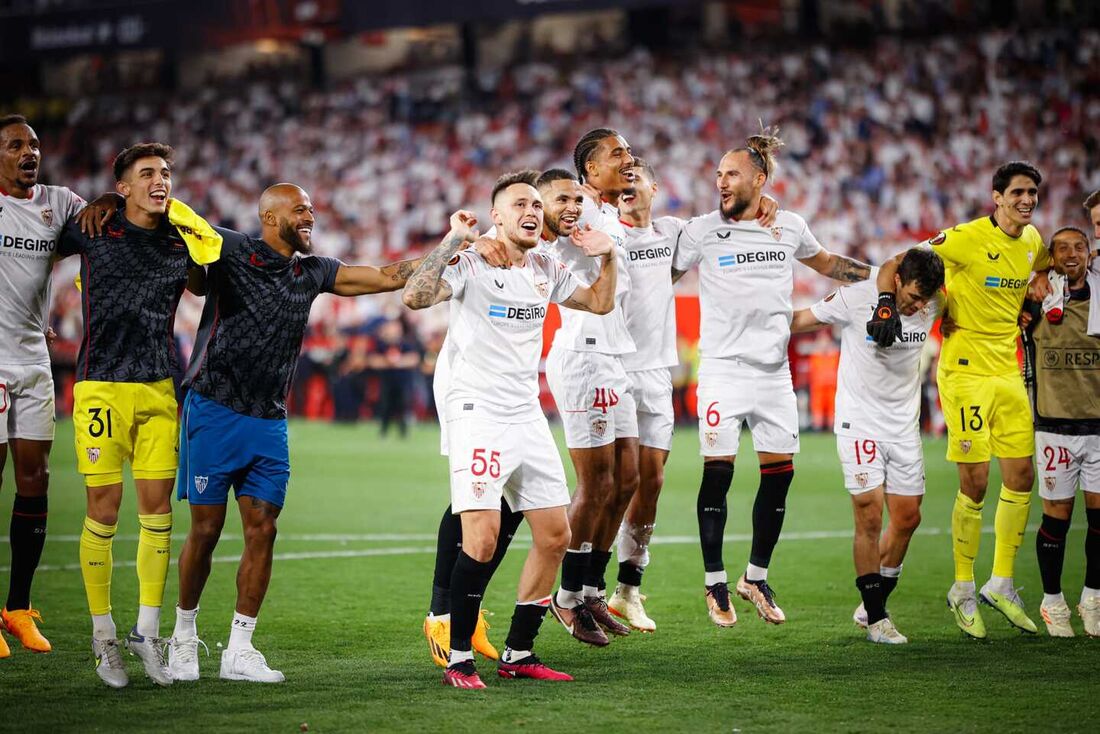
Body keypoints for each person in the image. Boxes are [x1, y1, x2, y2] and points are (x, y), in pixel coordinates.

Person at [169, 183, 422, 684]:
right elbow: (192, 275)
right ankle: (182, 635)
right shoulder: (231, 249)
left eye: (311, 208)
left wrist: (454, 246)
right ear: (269, 215)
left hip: (269, 418)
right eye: (300, 209)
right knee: (205, 530)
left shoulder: (313, 271)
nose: (310, 215)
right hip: (214, 408)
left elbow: (387, 277)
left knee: (264, 529)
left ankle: (239, 649)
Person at [403, 172, 617, 688]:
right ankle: (457, 656)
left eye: (533, 204)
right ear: (496, 216)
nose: (530, 210)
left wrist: (609, 256)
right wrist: (455, 239)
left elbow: (600, 303)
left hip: (525, 413)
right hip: (477, 409)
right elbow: (415, 295)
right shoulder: (473, 261)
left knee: (555, 533)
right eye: (517, 203)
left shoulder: (546, 264)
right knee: (481, 538)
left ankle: (519, 653)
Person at [672, 130, 871, 627]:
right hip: (721, 370)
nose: (721, 181)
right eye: (717, 174)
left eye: (731, 173)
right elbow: (661, 272)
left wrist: (887, 275)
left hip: (773, 373)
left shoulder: (789, 226)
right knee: (717, 473)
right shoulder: (701, 231)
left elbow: (828, 264)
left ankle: (755, 576)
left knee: (779, 478)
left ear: (759, 179)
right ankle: (714, 581)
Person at [57, 142, 222, 688]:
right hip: (101, 387)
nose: (161, 180)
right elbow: (30, 256)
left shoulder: (181, 240)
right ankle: (103, 635)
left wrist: (184, 218)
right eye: (147, 173)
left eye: (167, 173)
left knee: (158, 517)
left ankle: (145, 632)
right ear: (122, 186)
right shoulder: (92, 227)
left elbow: (210, 272)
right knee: (103, 512)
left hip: (158, 389)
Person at [869, 161, 1051, 638]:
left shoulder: (1032, 241)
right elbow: (897, 264)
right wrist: (890, 303)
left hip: (1007, 370)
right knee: (975, 483)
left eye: (1032, 192)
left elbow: (1043, 263)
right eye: (1017, 192)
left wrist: (1036, 289)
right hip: (965, 372)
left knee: (1022, 476)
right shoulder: (966, 238)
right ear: (996, 196)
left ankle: (1002, 582)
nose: (1026, 200)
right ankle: (963, 588)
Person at [791, 248, 945, 643]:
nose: (916, 307)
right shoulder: (857, 296)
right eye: (911, 298)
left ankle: (871, 600)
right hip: (858, 422)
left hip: (904, 426)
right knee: (869, 515)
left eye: (923, 301)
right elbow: (803, 319)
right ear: (895, 282)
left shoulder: (935, 301)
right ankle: (878, 617)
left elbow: (909, 259)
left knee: (908, 518)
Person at [542, 129, 639, 644]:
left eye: (627, 152)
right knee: (596, 482)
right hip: (583, 355)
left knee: (626, 480)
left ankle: (590, 591)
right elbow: (543, 228)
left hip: (615, 355)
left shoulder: (609, 213)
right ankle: (566, 597)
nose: (627, 159)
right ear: (587, 169)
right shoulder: (576, 212)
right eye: (616, 154)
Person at [0, 114, 85, 659]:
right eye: (15, 146)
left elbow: (104, 224)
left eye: (33, 145)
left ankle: (18, 609)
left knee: (36, 479)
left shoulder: (59, 202)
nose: (29, 153)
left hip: (34, 356)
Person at [606, 158, 683, 631]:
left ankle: (628, 590)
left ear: (656, 187)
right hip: (613, 367)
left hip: (655, 372)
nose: (629, 183)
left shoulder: (674, 233)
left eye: (638, 178)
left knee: (651, 481)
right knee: (616, 482)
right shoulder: (603, 232)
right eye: (623, 180)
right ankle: (583, 586)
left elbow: (725, 227)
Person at [1025, 227, 1100, 637]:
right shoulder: (1036, 298)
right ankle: (1052, 601)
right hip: (1053, 425)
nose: (1072, 254)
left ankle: (1093, 597)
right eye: (1062, 248)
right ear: (1050, 256)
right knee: (1056, 518)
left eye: (1080, 246)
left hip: (1099, 426)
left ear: (1090, 254)